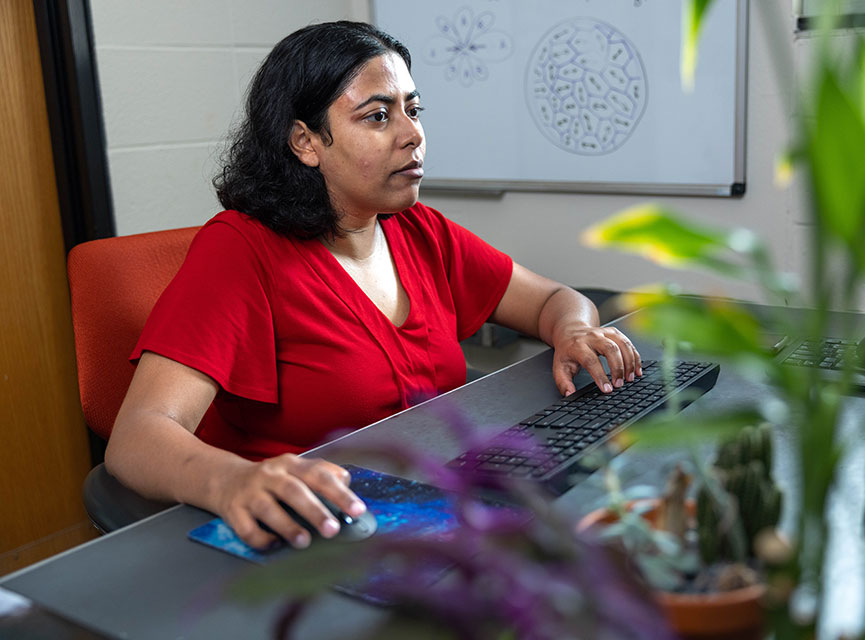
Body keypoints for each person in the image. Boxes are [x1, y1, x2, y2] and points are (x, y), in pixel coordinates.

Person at [104, 21, 642, 551]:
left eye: (413, 109)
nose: (412, 134)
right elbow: (138, 435)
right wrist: (230, 481)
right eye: (378, 116)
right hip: (318, 535)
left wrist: (573, 330)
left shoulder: (417, 229)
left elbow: (553, 300)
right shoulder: (241, 249)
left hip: (436, 509)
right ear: (305, 142)